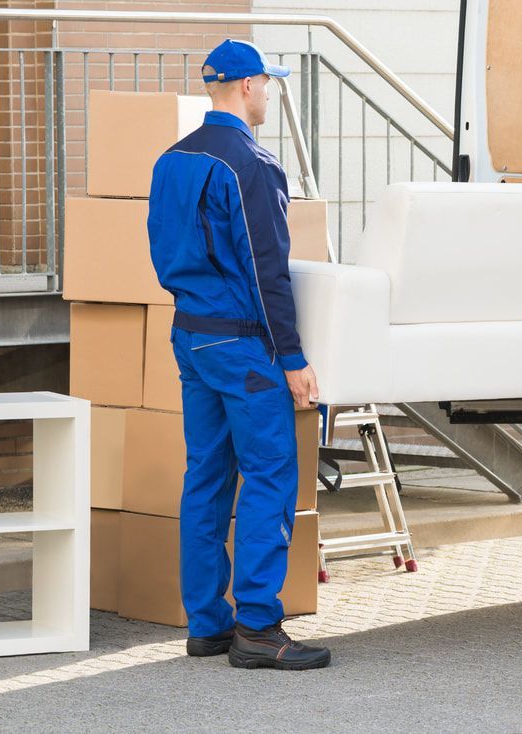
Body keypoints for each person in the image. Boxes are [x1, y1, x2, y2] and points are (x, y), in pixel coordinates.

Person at [147, 38, 330, 670]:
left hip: (191, 334)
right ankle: (257, 625)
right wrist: (294, 357)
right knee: (271, 475)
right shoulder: (249, 163)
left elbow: (162, 251)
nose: (272, 93)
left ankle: (207, 624)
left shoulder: (170, 161)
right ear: (249, 85)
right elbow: (267, 270)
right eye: (269, 83)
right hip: (244, 344)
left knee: (205, 475)